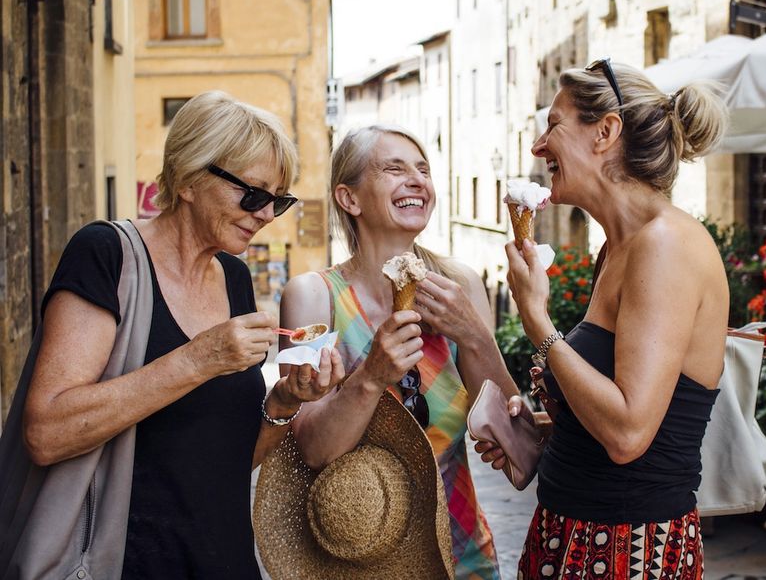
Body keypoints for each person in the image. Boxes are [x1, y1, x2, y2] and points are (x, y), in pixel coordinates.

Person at [21, 91, 344, 578]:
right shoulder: (105, 254)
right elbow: (46, 433)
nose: (265, 214)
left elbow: (227, 463)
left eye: (278, 200)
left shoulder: (234, 277)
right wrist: (198, 360)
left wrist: (283, 401)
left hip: (222, 560)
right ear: (191, 178)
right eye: (253, 194)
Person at [477, 60, 730, 579]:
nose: (538, 146)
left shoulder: (665, 245)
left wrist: (537, 321)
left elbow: (628, 433)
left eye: (554, 125)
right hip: (574, 536)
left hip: (628, 551)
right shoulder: (618, 247)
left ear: (606, 132)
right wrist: (546, 431)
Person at [280, 124, 519, 580]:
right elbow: (307, 451)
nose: (417, 180)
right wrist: (370, 376)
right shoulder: (312, 299)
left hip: (462, 556)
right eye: (394, 169)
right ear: (349, 199)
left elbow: (513, 438)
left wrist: (474, 336)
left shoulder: (461, 286)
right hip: (353, 564)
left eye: (423, 169)